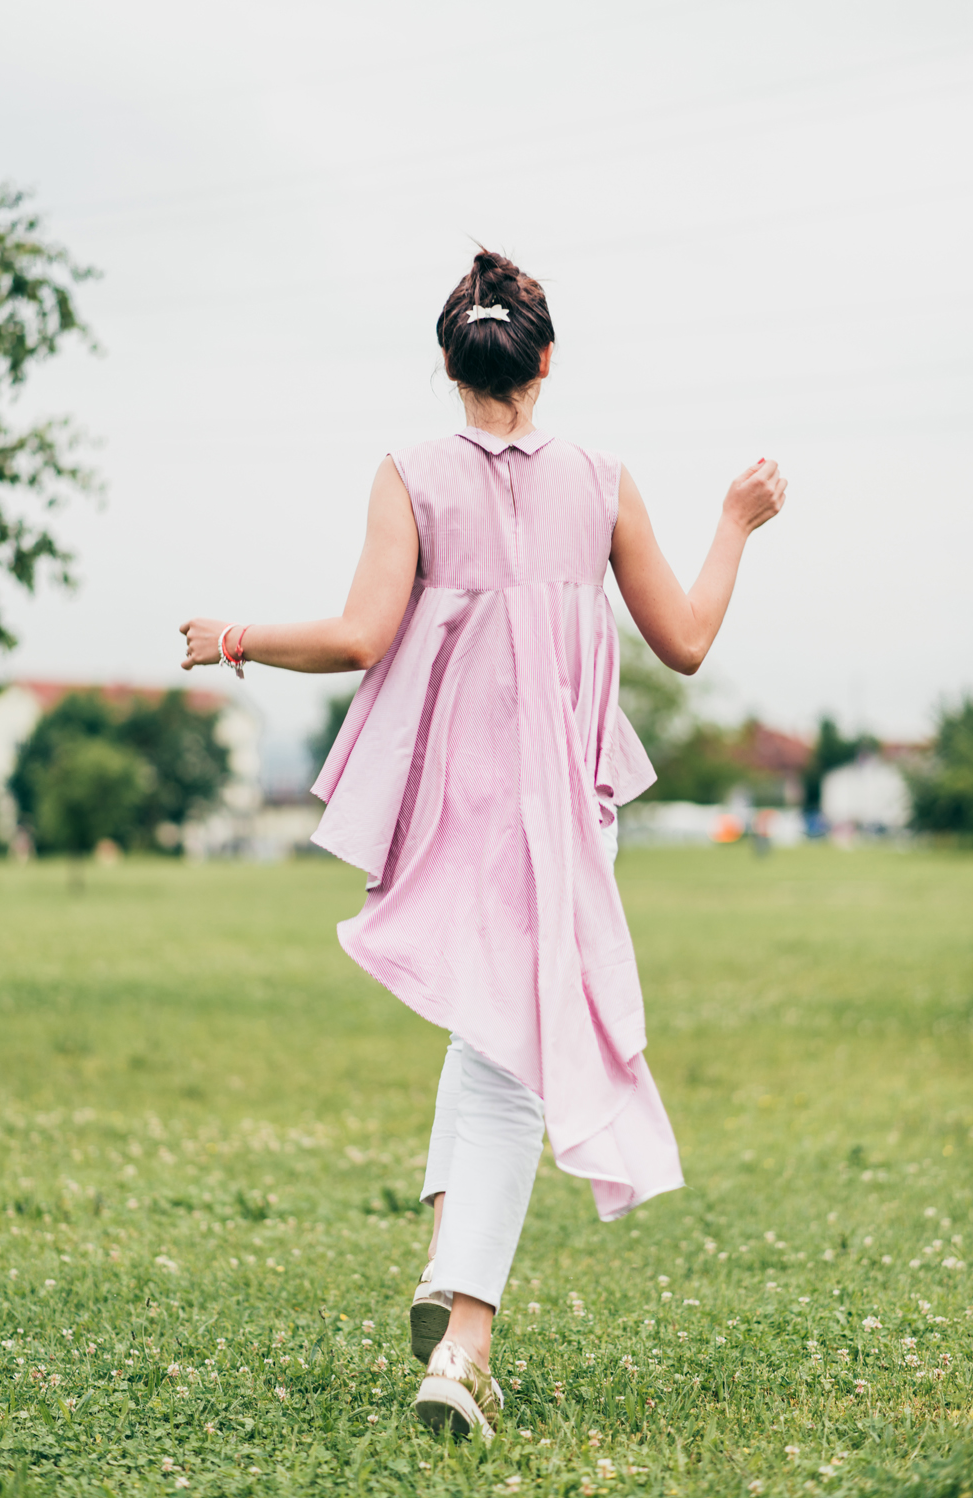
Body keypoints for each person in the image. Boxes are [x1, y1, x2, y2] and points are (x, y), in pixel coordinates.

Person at [180, 249, 786, 1442]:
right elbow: (686, 641)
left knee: (485, 1027)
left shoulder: (406, 473)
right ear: (543, 361)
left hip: (449, 805)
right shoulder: (603, 480)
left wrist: (234, 634)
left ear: (452, 365)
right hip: (561, 814)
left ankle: (444, 1264)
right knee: (514, 1059)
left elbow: (362, 634)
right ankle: (463, 1345)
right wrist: (735, 520)